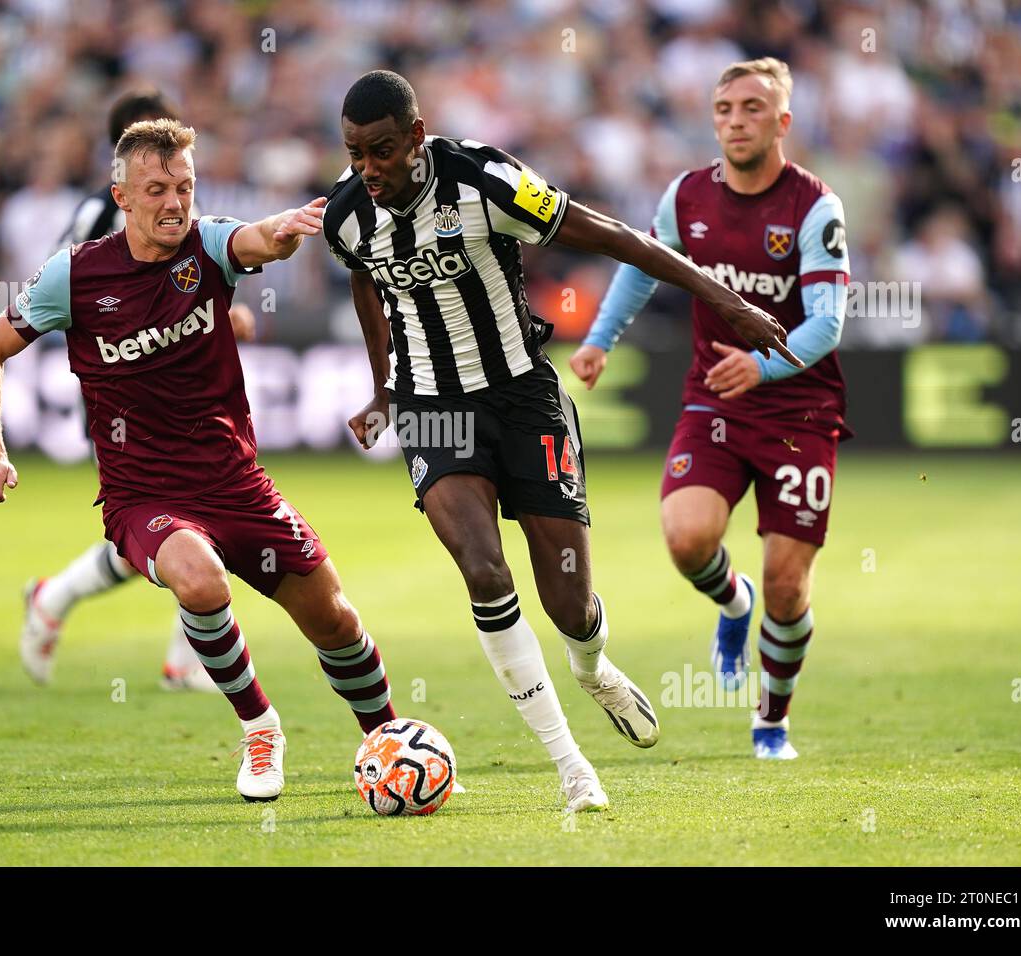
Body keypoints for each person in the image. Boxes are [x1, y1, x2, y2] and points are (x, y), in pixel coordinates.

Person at [324, 71, 797, 811]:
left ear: (417, 137)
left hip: (524, 400)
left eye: (382, 151)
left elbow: (613, 236)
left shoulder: (486, 179)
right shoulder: (350, 214)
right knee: (483, 571)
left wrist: (724, 299)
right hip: (434, 410)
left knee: (570, 604)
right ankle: (572, 767)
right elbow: (364, 282)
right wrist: (386, 388)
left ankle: (593, 669)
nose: (369, 170)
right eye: (355, 153)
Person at [0, 119, 396, 801]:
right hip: (144, 494)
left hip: (235, 481)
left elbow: (260, 239)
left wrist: (284, 230)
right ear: (123, 197)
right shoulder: (74, 275)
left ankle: (390, 741)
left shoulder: (209, 244)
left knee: (335, 621)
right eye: (158, 189)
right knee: (200, 583)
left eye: (185, 187)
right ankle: (260, 728)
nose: (174, 202)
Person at [571, 58, 850, 760]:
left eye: (752, 108)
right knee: (687, 539)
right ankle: (733, 602)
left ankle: (771, 721)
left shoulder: (814, 208)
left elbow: (828, 322)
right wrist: (600, 339)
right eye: (724, 108)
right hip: (716, 399)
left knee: (790, 584)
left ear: (782, 122)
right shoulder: (687, 197)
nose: (736, 120)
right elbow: (641, 265)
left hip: (799, 410)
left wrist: (759, 365)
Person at [19, 89, 257, 693]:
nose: (167, 177)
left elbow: (180, 284)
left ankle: (167, 647)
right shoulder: (99, 220)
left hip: (176, 386)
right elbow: (65, 296)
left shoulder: (177, 216)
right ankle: (174, 651)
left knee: (191, 515)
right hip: (125, 391)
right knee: (178, 516)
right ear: (121, 165)